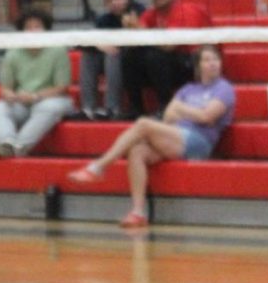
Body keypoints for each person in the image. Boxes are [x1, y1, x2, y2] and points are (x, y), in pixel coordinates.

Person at [68, 45, 234, 227]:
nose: (213, 64)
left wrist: (182, 109)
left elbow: (207, 117)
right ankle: (138, 212)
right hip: (176, 134)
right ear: (198, 65)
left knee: (143, 124)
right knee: (137, 151)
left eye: (215, 60)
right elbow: (169, 115)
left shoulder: (223, 88)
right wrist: (187, 112)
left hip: (199, 141)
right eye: (207, 60)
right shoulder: (188, 89)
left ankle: (98, 167)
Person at [122, 0, 212, 115]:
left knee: (154, 55)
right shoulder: (151, 13)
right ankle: (135, 107)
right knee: (129, 55)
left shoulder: (185, 11)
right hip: (167, 65)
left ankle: (166, 105)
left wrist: (140, 30)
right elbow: (135, 42)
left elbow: (169, 46)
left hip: (195, 64)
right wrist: (130, 29)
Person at [0, 9, 74, 158]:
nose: (33, 31)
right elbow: (5, 89)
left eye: (37, 26)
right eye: (29, 27)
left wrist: (35, 96)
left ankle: (18, 148)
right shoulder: (12, 53)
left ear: (46, 29)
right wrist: (11, 96)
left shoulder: (58, 50)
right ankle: (7, 142)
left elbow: (62, 87)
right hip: (23, 103)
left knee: (48, 107)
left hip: (53, 99)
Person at [78, 0, 143, 119]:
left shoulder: (139, 12)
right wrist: (98, 44)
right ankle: (88, 108)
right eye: (109, 0)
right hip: (111, 59)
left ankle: (112, 108)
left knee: (113, 53)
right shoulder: (104, 20)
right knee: (88, 55)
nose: (114, 3)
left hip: (135, 62)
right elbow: (82, 42)